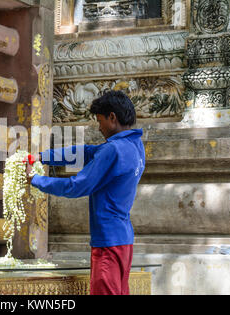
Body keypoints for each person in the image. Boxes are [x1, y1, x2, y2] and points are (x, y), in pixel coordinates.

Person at [25, 90, 145, 295]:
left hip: (107, 241)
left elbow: (76, 186)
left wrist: (36, 180)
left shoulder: (113, 150)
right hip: (123, 239)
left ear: (112, 117)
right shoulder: (135, 146)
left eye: (100, 121)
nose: (99, 127)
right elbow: (85, 152)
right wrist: (42, 156)